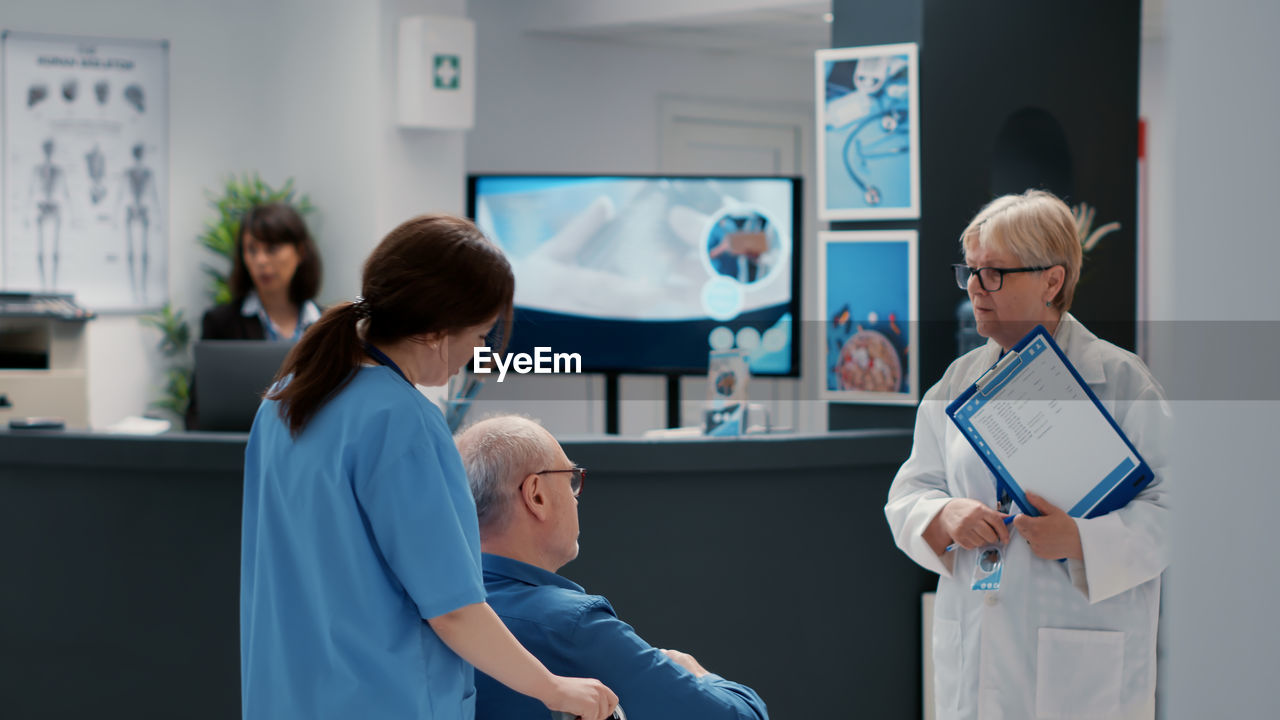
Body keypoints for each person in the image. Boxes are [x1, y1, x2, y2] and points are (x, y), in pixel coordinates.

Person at [240, 215, 617, 720]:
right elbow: (454, 609)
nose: (480, 352)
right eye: (481, 334)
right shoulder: (404, 421)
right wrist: (554, 689)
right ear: (438, 331)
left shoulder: (284, 403)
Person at [884, 190, 1171, 720]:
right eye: (970, 271)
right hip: (976, 648)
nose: (974, 288)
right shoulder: (956, 382)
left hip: (1081, 669)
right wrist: (944, 515)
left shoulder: (1123, 381)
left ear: (1052, 280)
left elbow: (1177, 514)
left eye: (994, 273)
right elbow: (910, 491)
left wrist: (1081, 540)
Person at [455, 414, 769, 720]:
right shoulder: (571, 627)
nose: (575, 498)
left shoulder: (433, 609)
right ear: (536, 495)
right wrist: (695, 672)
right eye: (570, 480)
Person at [201, 203, 323, 342]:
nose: (260, 260)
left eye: (272, 249)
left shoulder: (329, 325)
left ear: (300, 252)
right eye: (252, 250)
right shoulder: (220, 323)